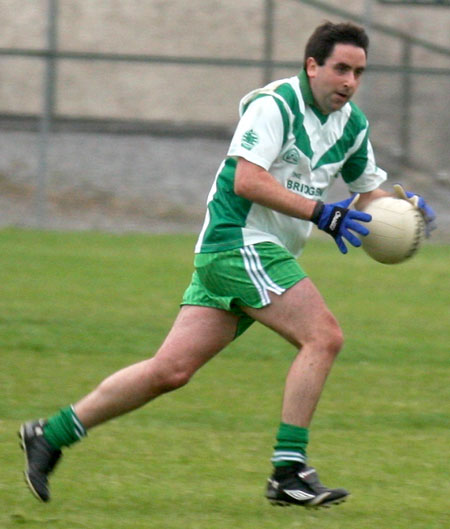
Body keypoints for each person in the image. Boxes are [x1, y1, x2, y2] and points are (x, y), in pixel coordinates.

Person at [19, 21, 436, 508]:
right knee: (323, 336)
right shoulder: (275, 106)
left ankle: (51, 434)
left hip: (253, 253)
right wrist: (322, 212)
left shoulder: (352, 125)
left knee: (169, 371)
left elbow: (367, 192)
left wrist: (403, 211)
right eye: (340, 68)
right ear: (312, 66)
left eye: (359, 72)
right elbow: (247, 181)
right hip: (238, 241)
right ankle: (288, 471)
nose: (349, 82)